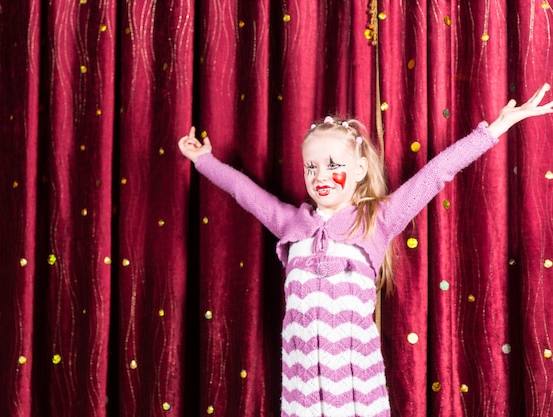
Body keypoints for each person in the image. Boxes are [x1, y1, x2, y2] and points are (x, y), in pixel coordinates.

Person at [177, 84, 553, 417]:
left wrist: (494, 130)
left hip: (358, 392)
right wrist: (203, 160)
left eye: (333, 165)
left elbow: (436, 174)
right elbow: (244, 192)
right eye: (311, 167)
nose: (320, 176)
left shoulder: (377, 220)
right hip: (301, 390)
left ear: (358, 170)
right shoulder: (291, 223)